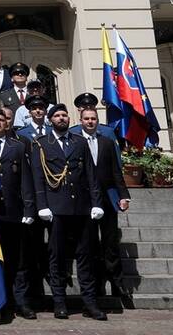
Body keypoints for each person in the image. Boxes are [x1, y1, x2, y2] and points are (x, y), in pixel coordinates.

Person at [30, 103, 106, 321]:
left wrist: (96, 203)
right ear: (50, 120)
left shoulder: (79, 142)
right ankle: (60, 303)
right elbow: (38, 178)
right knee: (57, 258)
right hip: (56, 209)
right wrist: (42, 205)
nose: (62, 118)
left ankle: (90, 303)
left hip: (81, 208)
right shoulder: (41, 144)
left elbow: (91, 175)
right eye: (57, 116)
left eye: (64, 115)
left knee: (86, 257)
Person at [0, 109, 36, 324]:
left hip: (13, 211)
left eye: (2, 120)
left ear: (7, 124)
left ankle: (21, 301)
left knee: (18, 260)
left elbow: (26, 180)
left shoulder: (18, 146)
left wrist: (29, 209)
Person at [76, 105, 131, 300]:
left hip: (107, 197)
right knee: (90, 244)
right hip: (86, 200)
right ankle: (97, 284)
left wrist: (123, 195)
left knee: (110, 242)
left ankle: (117, 283)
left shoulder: (107, 142)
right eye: (87, 118)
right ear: (80, 120)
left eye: (93, 118)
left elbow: (116, 171)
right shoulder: (75, 141)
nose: (90, 121)